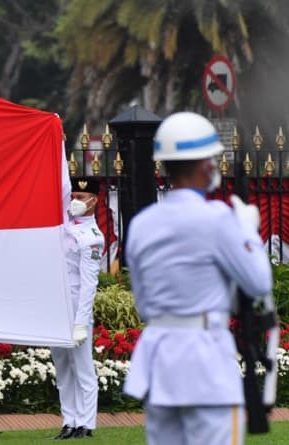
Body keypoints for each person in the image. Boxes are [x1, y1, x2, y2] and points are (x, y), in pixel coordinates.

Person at [123, 112, 273, 445]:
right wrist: (248, 231)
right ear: (207, 165)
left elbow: (145, 303)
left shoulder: (142, 223)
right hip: (205, 362)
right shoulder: (218, 219)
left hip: (160, 360)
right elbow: (259, 282)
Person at [50, 176, 104, 439]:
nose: (75, 201)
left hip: (75, 307)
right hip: (57, 305)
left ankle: (86, 423)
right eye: (74, 196)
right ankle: (69, 420)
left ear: (94, 200)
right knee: (62, 367)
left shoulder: (92, 238)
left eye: (82, 198)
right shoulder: (65, 224)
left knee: (82, 367)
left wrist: (81, 321)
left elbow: (88, 285)